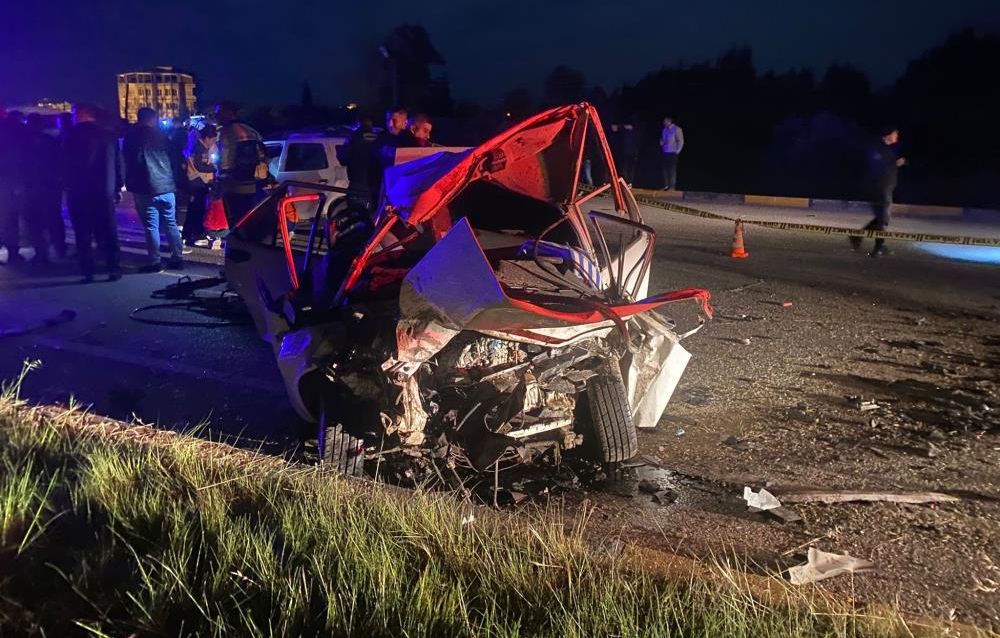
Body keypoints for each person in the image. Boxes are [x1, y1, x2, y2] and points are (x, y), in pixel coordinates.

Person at [63, 103, 123, 282]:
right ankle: (113, 267)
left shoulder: (70, 136)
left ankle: (88, 271)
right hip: (104, 191)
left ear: (81, 114)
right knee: (108, 231)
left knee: (83, 233)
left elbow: (63, 165)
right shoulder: (108, 136)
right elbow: (118, 165)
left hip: (79, 192)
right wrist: (117, 187)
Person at [123, 106, 183, 272]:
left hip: (145, 188)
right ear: (153, 119)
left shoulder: (132, 138)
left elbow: (129, 163)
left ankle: (155, 261)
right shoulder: (163, 137)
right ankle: (178, 257)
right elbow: (176, 159)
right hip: (167, 186)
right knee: (171, 223)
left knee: (151, 226)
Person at [851, 127, 906, 257]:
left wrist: (896, 163)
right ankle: (877, 248)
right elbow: (878, 167)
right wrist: (894, 163)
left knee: (881, 219)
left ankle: (861, 239)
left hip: (885, 188)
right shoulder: (878, 147)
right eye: (894, 134)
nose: (896, 137)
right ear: (888, 134)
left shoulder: (887, 149)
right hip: (880, 189)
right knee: (883, 219)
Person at [215, 101, 268, 228]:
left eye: (219, 112)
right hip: (255, 181)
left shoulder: (226, 132)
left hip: (234, 183)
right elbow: (264, 155)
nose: (216, 116)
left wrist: (220, 179)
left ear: (228, 113)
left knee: (236, 221)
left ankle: (237, 244)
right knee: (250, 218)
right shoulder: (251, 130)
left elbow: (225, 160)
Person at [23, 113, 67, 263]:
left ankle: (41, 252)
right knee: (54, 218)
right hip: (50, 187)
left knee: (35, 222)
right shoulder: (50, 141)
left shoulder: (25, 143)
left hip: (32, 187)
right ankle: (60, 248)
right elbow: (60, 163)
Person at [182, 124, 218, 247]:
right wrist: (214, 168)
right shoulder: (199, 148)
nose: (214, 142)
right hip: (197, 183)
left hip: (197, 183)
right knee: (197, 210)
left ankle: (189, 234)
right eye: (213, 139)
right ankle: (195, 234)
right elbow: (200, 166)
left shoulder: (199, 146)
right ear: (207, 138)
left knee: (195, 209)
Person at [0, 106, 26, 264]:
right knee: (10, 219)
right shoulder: (18, 131)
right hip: (11, 181)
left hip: (6, 180)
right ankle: (13, 252)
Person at [659, 116, 684, 190]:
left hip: (673, 152)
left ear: (670, 121)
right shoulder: (664, 130)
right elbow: (663, 140)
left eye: (665, 121)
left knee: (672, 170)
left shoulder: (677, 129)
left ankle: (672, 186)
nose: (664, 123)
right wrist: (661, 142)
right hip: (665, 152)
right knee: (665, 169)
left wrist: (677, 151)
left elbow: (681, 141)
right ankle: (666, 185)